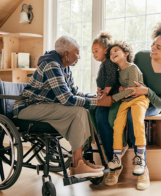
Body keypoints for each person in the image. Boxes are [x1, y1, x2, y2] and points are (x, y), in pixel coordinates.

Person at [96, 20, 161, 190]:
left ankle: (142, 170)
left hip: (150, 103)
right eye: (153, 44)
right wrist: (108, 88)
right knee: (100, 114)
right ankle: (115, 164)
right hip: (128, 97)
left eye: (158, 47)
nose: (153, 48)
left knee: (132, 117)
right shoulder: (141, 56)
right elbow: (122, 71)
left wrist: (146, 91)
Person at [13, 35, 114, 178]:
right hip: (27, 109)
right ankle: (77, 164)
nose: (79, 57)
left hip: (45, 107)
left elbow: (74, 92)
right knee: (78, 111)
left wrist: (95, 98)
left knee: (82, 110)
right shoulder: (51, 65)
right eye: (77, 53)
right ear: (66, 54)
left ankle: (80, 162)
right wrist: (98, 102)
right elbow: (66, 99)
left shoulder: (65, 68)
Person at [106, 41, 150, 179]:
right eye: (111, 52)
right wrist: (119, 90)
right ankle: (117, 157)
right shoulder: (118, 72)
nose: (113, 53)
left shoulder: (132, 68)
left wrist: (113, 98)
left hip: (139, 99)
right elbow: (123, 89)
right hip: (126, 101)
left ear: (125, 53)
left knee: (137, 121)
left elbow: (131, 89)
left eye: (116, 50)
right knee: (117, 125)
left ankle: (140, 159)